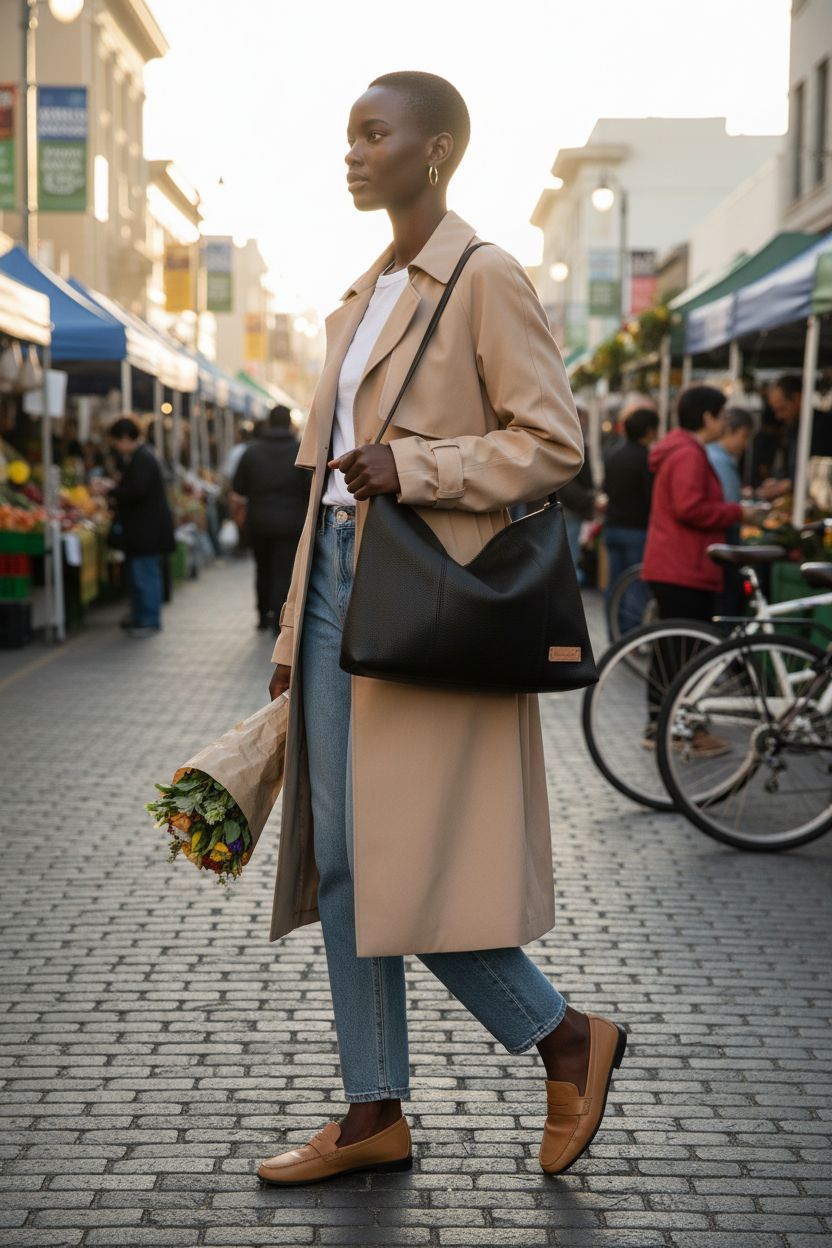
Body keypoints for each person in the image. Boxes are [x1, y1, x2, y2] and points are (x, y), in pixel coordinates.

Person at [256, 71, 626, 1189]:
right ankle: (374, 1110)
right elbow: (326, 478)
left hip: (419, 597)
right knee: (340, 863)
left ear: (439, 152)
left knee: (391, 857)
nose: (355, 153)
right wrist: (287, 635)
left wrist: (415, 464)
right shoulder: (362, 297)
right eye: (349, 136)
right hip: (332, 586)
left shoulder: (483, 277)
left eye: (377, 134)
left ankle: (563, 1037)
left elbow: (552, 444)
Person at [640, 386, 761, 751]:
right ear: (707, 416)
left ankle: (666, 727)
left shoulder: (681, 450)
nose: (725, 422)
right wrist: (738, 512)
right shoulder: (688, 454)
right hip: (684, 566)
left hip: (676, 564)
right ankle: (675, 730)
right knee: (683, 654)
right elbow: (690, 507)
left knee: (673, 652)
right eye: (722, 414)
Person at [232, 405, 310, 631]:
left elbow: (239, 487)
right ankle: (280, 618)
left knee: (262, 568)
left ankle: (261, 614)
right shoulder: (300, 451)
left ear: (268, 423)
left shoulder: (251, 451)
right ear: (289, 424)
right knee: (284, 571)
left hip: (258, 521)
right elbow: (309, 486)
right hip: (291, 521)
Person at [103, 416, 176, 638]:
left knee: (145, 575)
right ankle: (141, 617)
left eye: (116, 441)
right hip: (143, 530)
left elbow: (137, 491)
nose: (116, 447)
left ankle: (149, 620)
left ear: (125, 438)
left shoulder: (142, 458)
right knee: (140, 575)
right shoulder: (141, 457)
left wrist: (112, 490)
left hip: (146, 531)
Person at [602, 406, 659, 593]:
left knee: (615, 585)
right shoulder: (646, 459)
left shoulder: (612, 454)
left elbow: (605, 488)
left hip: (612, 525)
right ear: (650, 430)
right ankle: (630, 624)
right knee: (634, 586)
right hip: (637, 529)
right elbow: (651, 496)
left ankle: (612, 622)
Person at [707, 407, 755, 616]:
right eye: (744, 436)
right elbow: (726, 503)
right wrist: (742, 513)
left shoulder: (713, 455)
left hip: (720, 537)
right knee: (729, 601)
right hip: (725, 538)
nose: (745, 444)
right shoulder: (720, 459)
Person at [761, 373, 832, 497]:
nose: (779, 416)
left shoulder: (824, 426)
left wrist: (789, 484)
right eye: (776, 410)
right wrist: (781, 482)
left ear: (797, 399)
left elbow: (822, 472)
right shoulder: (790, 429)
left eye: (782, 409)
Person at [558, 404, 595, 585]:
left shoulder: (567, 442)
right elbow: (567, 482)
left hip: (569, 506)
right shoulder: (572, 444)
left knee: (567, 552)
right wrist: (589, 499)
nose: (584, 423)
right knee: (570, 554)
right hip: (570, 507)